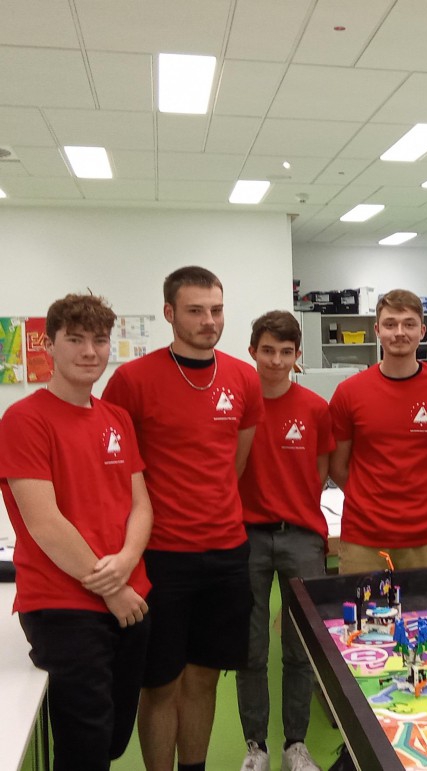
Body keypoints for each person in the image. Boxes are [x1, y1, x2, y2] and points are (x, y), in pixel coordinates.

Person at [103, 266, 264, 771]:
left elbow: (234, 463)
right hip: (160, 556)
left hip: (226, 553)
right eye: (195, 311)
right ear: (169, 313)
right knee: (161, 683)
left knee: (203, 678)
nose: (209, 320)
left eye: (216, 309)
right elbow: (116, 472)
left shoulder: (243, 378)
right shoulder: (132, 381)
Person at [0, 294, 151, 771]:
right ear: (49, 345)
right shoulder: (24, 420)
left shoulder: (116, 418)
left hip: (131, 598)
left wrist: (126, 564)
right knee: (85, 742)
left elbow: (141, 505)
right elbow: (45, 523)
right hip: (63, 605)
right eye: (75, 339)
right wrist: (112, 588)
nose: (90, 351)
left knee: (113, 738)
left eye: (100, 340)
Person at [237, 311, 334, 771]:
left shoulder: (315, 408)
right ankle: (255, 747)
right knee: (251, 648)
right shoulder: (237, 406)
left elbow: (319, 472)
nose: (276, 360)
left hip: (302, 538)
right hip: (247, 537)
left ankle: (295, 745)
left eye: (286, 352)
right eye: (267, 350)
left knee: (300, 649)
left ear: (297, 356)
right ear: (252, 351)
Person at [329, 289, 427, 574]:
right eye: (390, 324)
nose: (399, 332)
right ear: (377, 330)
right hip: (364, 540)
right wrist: (366, 501)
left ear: (422, 331)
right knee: (363, 606)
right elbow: (337, 466)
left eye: (408, 324)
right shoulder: (349, 393)